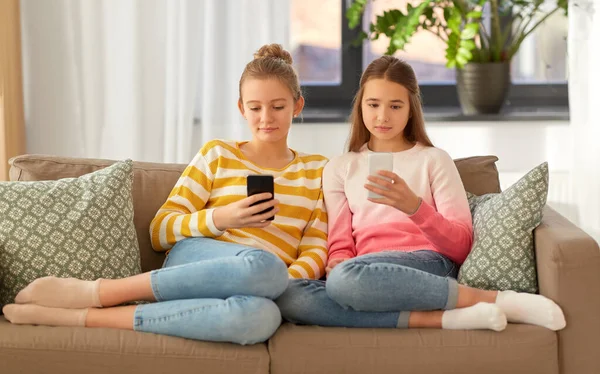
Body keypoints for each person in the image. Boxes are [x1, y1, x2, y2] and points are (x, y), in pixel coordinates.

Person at [2, 44, 329, 345]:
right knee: (263, 266)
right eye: (256, 107)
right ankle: (96, 292)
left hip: (264, 285)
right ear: (242, 108)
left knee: (260, 319)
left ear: (297, 105)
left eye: (277, 106)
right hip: (198, 258)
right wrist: (221, 218)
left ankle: (78, 316)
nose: (266, 118)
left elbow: (316, 245)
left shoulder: (317, 170)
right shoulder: (217, 154)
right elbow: (160, 231)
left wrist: (279, 282)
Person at [276, 55, 566, 332]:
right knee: (290, 295)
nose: (382, 116)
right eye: (373, 104)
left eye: (395, 106)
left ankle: (496, 300)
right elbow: (340, 245)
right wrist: (338, 261)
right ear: (360, 106)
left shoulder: (434, 160)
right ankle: (443, 319)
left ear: (411, 108)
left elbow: (461, 245)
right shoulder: (340, 167)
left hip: (427, 264)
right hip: (364, 274)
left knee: (344, 282)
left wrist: (414, 206)